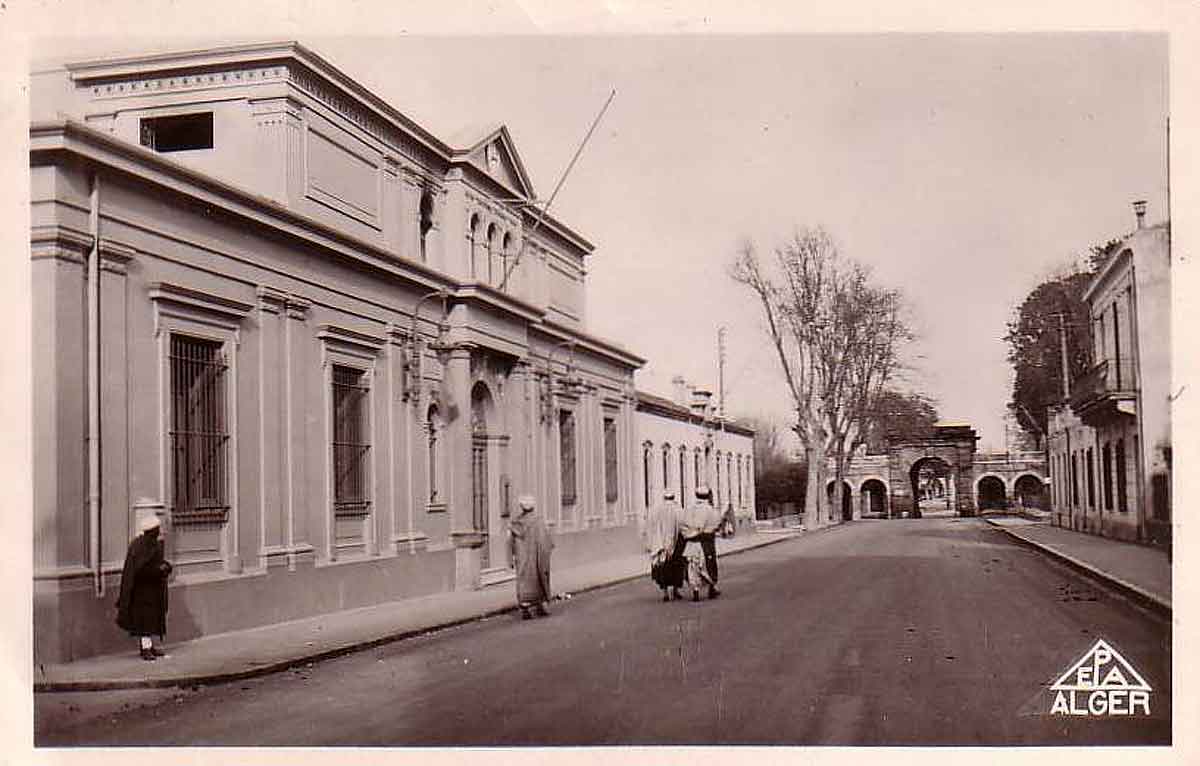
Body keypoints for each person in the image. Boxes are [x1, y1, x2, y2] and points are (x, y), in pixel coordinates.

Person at [116, 515, 173, 661]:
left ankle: (149, 647)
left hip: (151, 589)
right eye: (157, 529)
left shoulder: (151, 544)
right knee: (144, 621)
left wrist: (165, 566)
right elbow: (140, 570)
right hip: (141, 591)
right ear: (151, 530)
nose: (159, 531)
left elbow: (154, 563)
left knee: (151, 619)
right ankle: (145, 649)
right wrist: (159, 570)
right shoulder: (140, 545)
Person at [508, 494, 554, 619]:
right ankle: (540, 605)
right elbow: (546, 540)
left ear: (521, 507)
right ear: (533, 506)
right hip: (537, 557)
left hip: (522, 558)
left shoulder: (516, 523)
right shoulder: (539, 522)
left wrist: (511, 557)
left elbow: (510, 542)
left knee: (523, 580)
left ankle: (525, 607)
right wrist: (548, 550)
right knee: (539, 578)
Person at [679, 485, 723, 599]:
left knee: (692, 565)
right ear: (707, 496)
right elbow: (717, 524)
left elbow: (683, 524)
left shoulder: (689, 509)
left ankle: (695, 590)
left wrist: (689, 534)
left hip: (691, 542)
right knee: (708, 565)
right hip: (706, 542)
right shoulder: (711, 510)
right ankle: (712, 588)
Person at [647, 489, 685, 601]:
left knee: (662, 568)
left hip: (660, 544)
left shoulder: (656, 509)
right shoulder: (678, 509)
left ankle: (665, 593)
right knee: (676, 567)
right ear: (673, 498)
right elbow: (682, 525)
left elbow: (651, 525)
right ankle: (675, 590)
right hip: (676, 544)